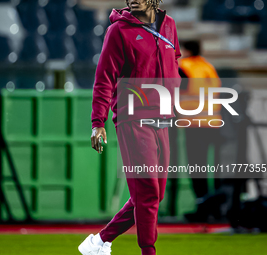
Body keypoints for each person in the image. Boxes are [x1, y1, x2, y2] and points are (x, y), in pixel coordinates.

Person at [78, 0, 181, 254]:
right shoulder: (118, 31)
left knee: (153, 196)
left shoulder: (169, 26)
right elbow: (104, 79)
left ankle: (99, 242)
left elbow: (174, 63)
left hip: (162, 119)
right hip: (132, 118)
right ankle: (148, 251)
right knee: (147, 191)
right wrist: (97, 122)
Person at [178, 40, 222, 222]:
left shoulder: (183, 67)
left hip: (194, 123)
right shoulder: (207, 67)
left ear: (187, 50)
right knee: (217, 168)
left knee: (197, 168)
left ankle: (203, 208)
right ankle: (219, 207)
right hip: (214, 122)